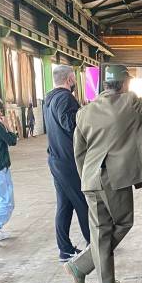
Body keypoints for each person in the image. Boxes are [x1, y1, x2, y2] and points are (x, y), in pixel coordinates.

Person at [65, 65, 142, 283]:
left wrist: (86, 178)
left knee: (101, 229)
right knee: (122, 223)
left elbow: (78, 152)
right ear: (123, 83)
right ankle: (80, 265)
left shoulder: (84, 112)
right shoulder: (129, 102)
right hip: (113, 178)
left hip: (90, 178)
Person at [44, 65, 90, 262]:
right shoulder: (64, 98)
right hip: (68, 161)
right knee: (82, 203)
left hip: (56, 159)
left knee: (64, 205)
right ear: (70, 79)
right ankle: (94, 244)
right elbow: (71, 124)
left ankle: (65, 250)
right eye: (74, 79)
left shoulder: (49, 99)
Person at [0, 100, 17, 241]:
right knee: (7, 203)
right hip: (0, 169)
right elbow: (12, 140)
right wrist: (7, 126)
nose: (1, 113)